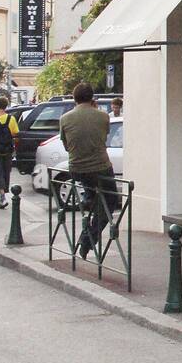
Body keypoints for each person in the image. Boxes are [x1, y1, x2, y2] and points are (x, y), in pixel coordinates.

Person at [60, 82, 117, 258]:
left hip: (76, 168)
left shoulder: (65, 118)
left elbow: (66, 146)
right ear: (92, 98)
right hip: (100, 167)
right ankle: (88, 239)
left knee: (95, 197)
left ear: (74, 97)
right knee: (111, 201)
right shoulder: (103, 116)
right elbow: (103, 137)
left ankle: (88, 199)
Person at [0, 97, 19, 210]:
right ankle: (4, 192)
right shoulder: (11, 119)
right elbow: (15, 134)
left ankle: (2, 194)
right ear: (6, 106)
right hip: (8, 150)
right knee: (7, 172)